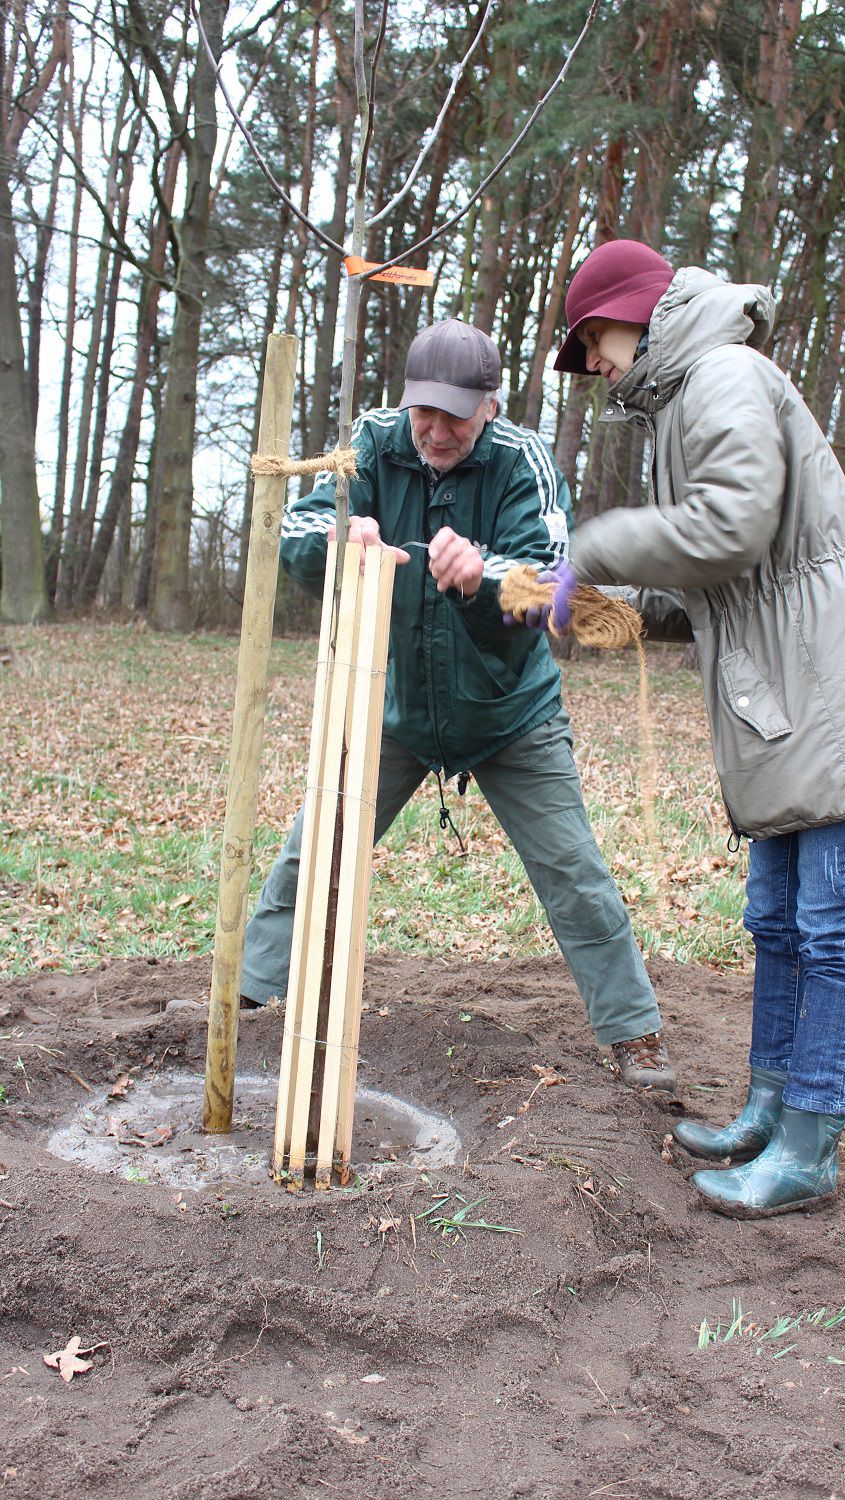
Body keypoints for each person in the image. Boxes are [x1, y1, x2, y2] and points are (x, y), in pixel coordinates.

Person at [543, 239, 845, 1216]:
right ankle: (767, 1107)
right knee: (776, 921)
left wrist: (593, 540)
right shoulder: (689, 397)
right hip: (782, 700)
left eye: (591, 340)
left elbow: (730, 531)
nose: (591, 364)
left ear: (634, 313)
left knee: (833, 926)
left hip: (830, 692)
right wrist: (610, 593)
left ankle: (809, 1144)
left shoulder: (721, 372)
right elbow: (721, 583)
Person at [241, 317, 676, 1094]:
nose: (436, 432)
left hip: (511, 712)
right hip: (393, 706)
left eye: (454, 415)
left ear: (490, 406)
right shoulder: (373, 443)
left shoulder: (522, 463)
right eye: (424, 413)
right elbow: (299, 529)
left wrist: (484, 577)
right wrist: (343, 536)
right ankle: (251, 997)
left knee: (573, 873)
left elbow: (550, 586)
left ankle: (634, 1033)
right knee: (315, 854)